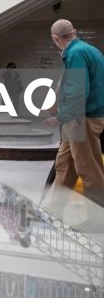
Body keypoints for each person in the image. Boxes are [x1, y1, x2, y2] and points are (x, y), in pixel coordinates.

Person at [44, 19, 104, 213]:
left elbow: (78, 92)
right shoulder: (89, 50)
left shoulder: (75, 53)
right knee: (64, 165)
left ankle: (97, 218)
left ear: (55, 38)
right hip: (79, 118)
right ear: (74, 32)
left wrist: (59, 117)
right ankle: (54, 211)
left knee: (89, 170)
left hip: (83, 119)